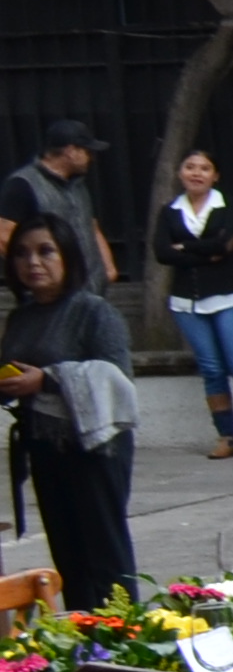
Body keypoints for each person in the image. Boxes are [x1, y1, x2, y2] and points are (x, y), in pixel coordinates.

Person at [2, 214, 137, 605]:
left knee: (105, 556)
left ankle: (123, 640)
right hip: (43, 448)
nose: (33, 263)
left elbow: (117, 379)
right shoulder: (21, 317)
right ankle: (84, 644)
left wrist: (47, 380)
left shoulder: (94, 312)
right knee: (69, 556)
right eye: (22, 254)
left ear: (68, 257)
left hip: (94, 449)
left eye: (46, 251)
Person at [150, 147, 233, 458]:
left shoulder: (229, 205)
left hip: (228, 297)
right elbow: (162, 253)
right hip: (187, 302)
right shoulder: (169, 211)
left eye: (204, 168)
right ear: (180, 173)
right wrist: (207, 251)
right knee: (211, 369)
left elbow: (226, 246)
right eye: (190, 167)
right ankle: (227, 437)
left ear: (214, 175)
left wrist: (187, 247)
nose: (196, 173)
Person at [4, 119, 111, 291]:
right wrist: (44, 275)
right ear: (71, 151)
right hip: (53, 294)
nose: (91, 158)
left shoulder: (78, 185)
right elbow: (4, 235)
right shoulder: (23, 184)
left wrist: (108, 267)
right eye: (86, 151)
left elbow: (90, 224)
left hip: (91, 289)